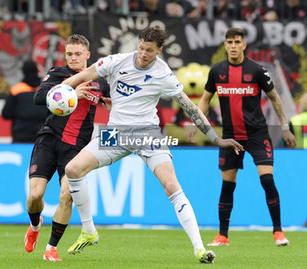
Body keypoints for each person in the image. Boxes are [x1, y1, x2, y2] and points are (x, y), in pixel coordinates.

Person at [62, 27, 244, 264]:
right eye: (140, 48)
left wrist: (216, 138)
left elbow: (190, 108)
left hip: (147, 135)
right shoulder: (116, 61)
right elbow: (83, 75)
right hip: (116, 134)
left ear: (159, 50)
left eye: (149, 50)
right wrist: (60, 89)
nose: (143, 54)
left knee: (172, 185)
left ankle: (200, 250)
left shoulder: (164, 75)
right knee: (72, 170)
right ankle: (88, 230)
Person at [190, 27, 296, 247]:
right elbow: (205, 99)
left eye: (237, 42)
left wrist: (285, 127)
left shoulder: (257, 70)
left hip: (257, 134)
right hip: (230, 136)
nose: (233, 46)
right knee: (227, 186)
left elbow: (275, 99)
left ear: (244, 45)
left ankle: (278, 232)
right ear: (225, 45)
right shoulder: (217, 71)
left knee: (267, 180)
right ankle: (222, 236)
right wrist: (196, 122)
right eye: (230, 42)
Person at [24, 34, 110, 262]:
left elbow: (116, 103)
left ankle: (51, 248)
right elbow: (39, 98)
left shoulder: (101, 81)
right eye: (69, 54)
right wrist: (70, 90)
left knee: (66, 196)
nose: (73, 58)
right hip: (49, 138)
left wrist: (110, 105)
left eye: (78, 54)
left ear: (88, 55)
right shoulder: (58, 74)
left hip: (76, 147)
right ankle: (34, 225)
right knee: (35, 195)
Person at [1, 60, 48, 143]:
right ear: (37, 71)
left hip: (21, 134)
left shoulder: (16, 90)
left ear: (23, 72)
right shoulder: (45, 89)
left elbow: (6, 114)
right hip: (43, 134)